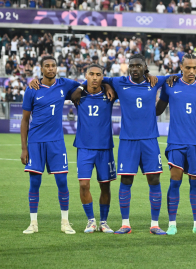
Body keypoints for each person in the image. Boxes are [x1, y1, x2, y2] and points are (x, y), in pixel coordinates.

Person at [71, 54, 174, 235]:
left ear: (145, 68)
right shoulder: (119, 82)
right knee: (126, 180)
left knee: (154, 180)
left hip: (150, 140)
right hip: (127, 141)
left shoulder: (155, 81)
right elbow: (98, 79)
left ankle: (155, 224)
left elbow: (176, 77)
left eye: (138, 66)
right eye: (132, 66)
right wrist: (89, 86)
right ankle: (125, 224)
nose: (135, 69)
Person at [20, 56, 100, 234]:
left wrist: (80, 87)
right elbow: (25, 120)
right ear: (41, 69)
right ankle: (33, 223)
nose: (50, 68)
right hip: (35, 141)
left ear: (57, 68)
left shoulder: (64, 84)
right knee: (34, 182)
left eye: (53, 66)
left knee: (62, 182)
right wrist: (24, 148)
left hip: (56, 142)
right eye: (47, 66)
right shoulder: (32, 89)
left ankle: (65, 222)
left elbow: (84, 83)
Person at [155, 54, 196, 235]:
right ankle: (172, 224)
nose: (192, 71)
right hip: (176, 142)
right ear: (181, 67)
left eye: (195, 68)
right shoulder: (170, 85)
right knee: (175, 183)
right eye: (188, 68)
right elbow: (157, 110)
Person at [73, 64, 117, 233]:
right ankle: (91, 221)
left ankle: (103, 222)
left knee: (105, 186)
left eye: (98, 75)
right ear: (86, 75)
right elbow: (70, 89)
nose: (95, 77)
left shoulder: (110, 95)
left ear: (102, 76)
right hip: (84, 147)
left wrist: (106, 85)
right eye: (91, 74)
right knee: (84, 185)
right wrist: (83, 85)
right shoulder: (78, 95)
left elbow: (115, 84)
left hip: (105, 148)